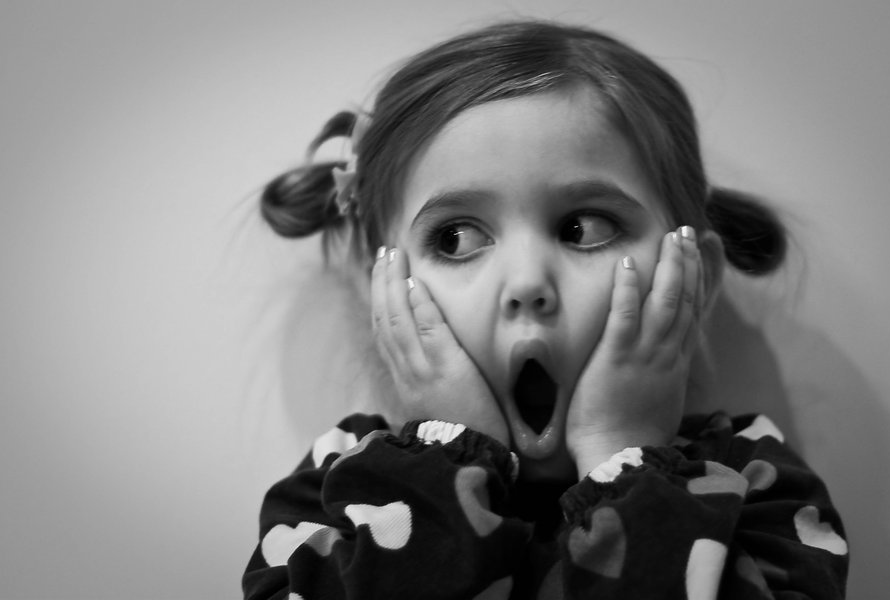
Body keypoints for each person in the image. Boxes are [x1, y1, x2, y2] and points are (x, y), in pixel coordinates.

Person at [242, 20, 849, 600]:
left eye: (584, 228)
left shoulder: (753, 480)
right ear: (383, 292)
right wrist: (446, 462)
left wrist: (625, 457)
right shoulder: (337, 480)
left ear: (694, 276)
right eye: (455, 238)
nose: (528, 282)